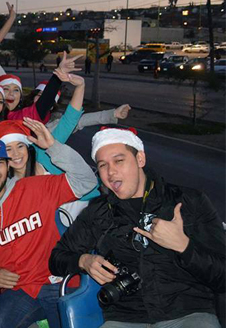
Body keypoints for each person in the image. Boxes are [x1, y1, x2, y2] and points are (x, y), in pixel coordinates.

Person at [49, 128, 225, 328]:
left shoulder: (188, 202)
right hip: (126, 318)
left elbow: (222, 275)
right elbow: (57, 258)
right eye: (102, 165)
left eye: (119, 160)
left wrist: (183, 246)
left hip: (187, 314)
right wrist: (83, 260)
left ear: (140, 159)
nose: (111, 172)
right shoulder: (99, 212)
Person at [0, 128, 97, 328]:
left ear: (7, 165)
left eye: (0, 162)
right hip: (19, 290)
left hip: (58, 284)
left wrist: (54, 147)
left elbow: (87, 182)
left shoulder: (35, 188)